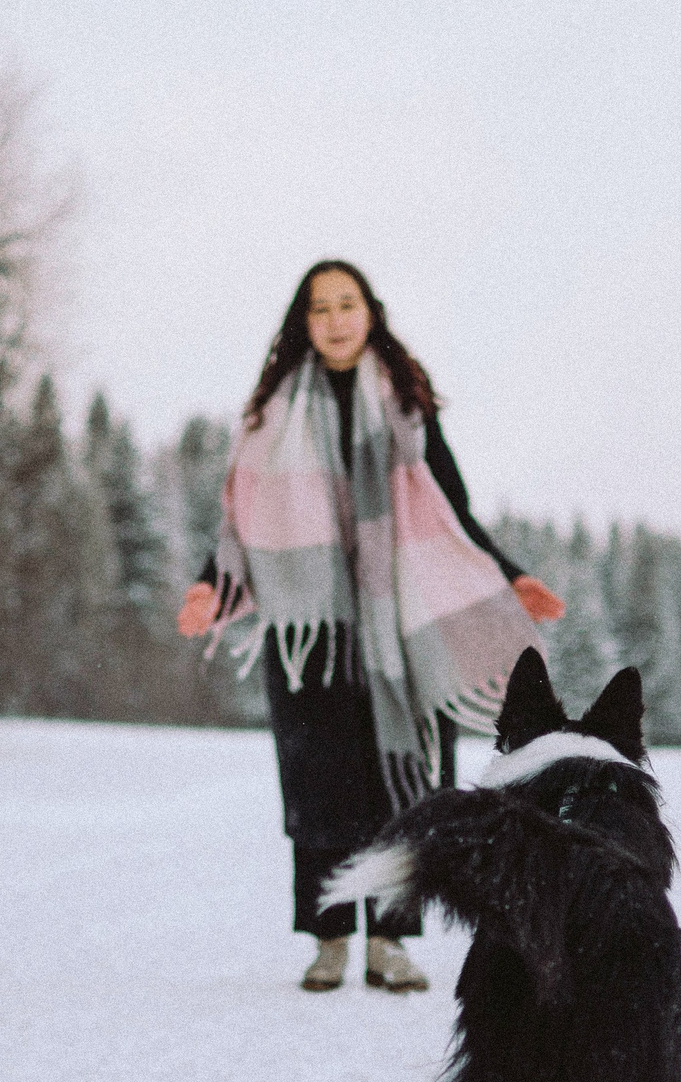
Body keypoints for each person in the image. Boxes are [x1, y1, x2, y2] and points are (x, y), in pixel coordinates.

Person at [179, 261, 565, 992]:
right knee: (319, 788)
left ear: (370, 312)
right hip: (313, 635)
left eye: (346, 304)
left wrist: (510, 574)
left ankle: (390, 939)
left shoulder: (407, 408)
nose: (334, 319)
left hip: (403, 632)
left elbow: (451, 509)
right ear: (304, 320)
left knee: (406, 788)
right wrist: (210, 584)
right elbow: (239, 522)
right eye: (319, 307)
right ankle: (329, 936)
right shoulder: (269, 420)